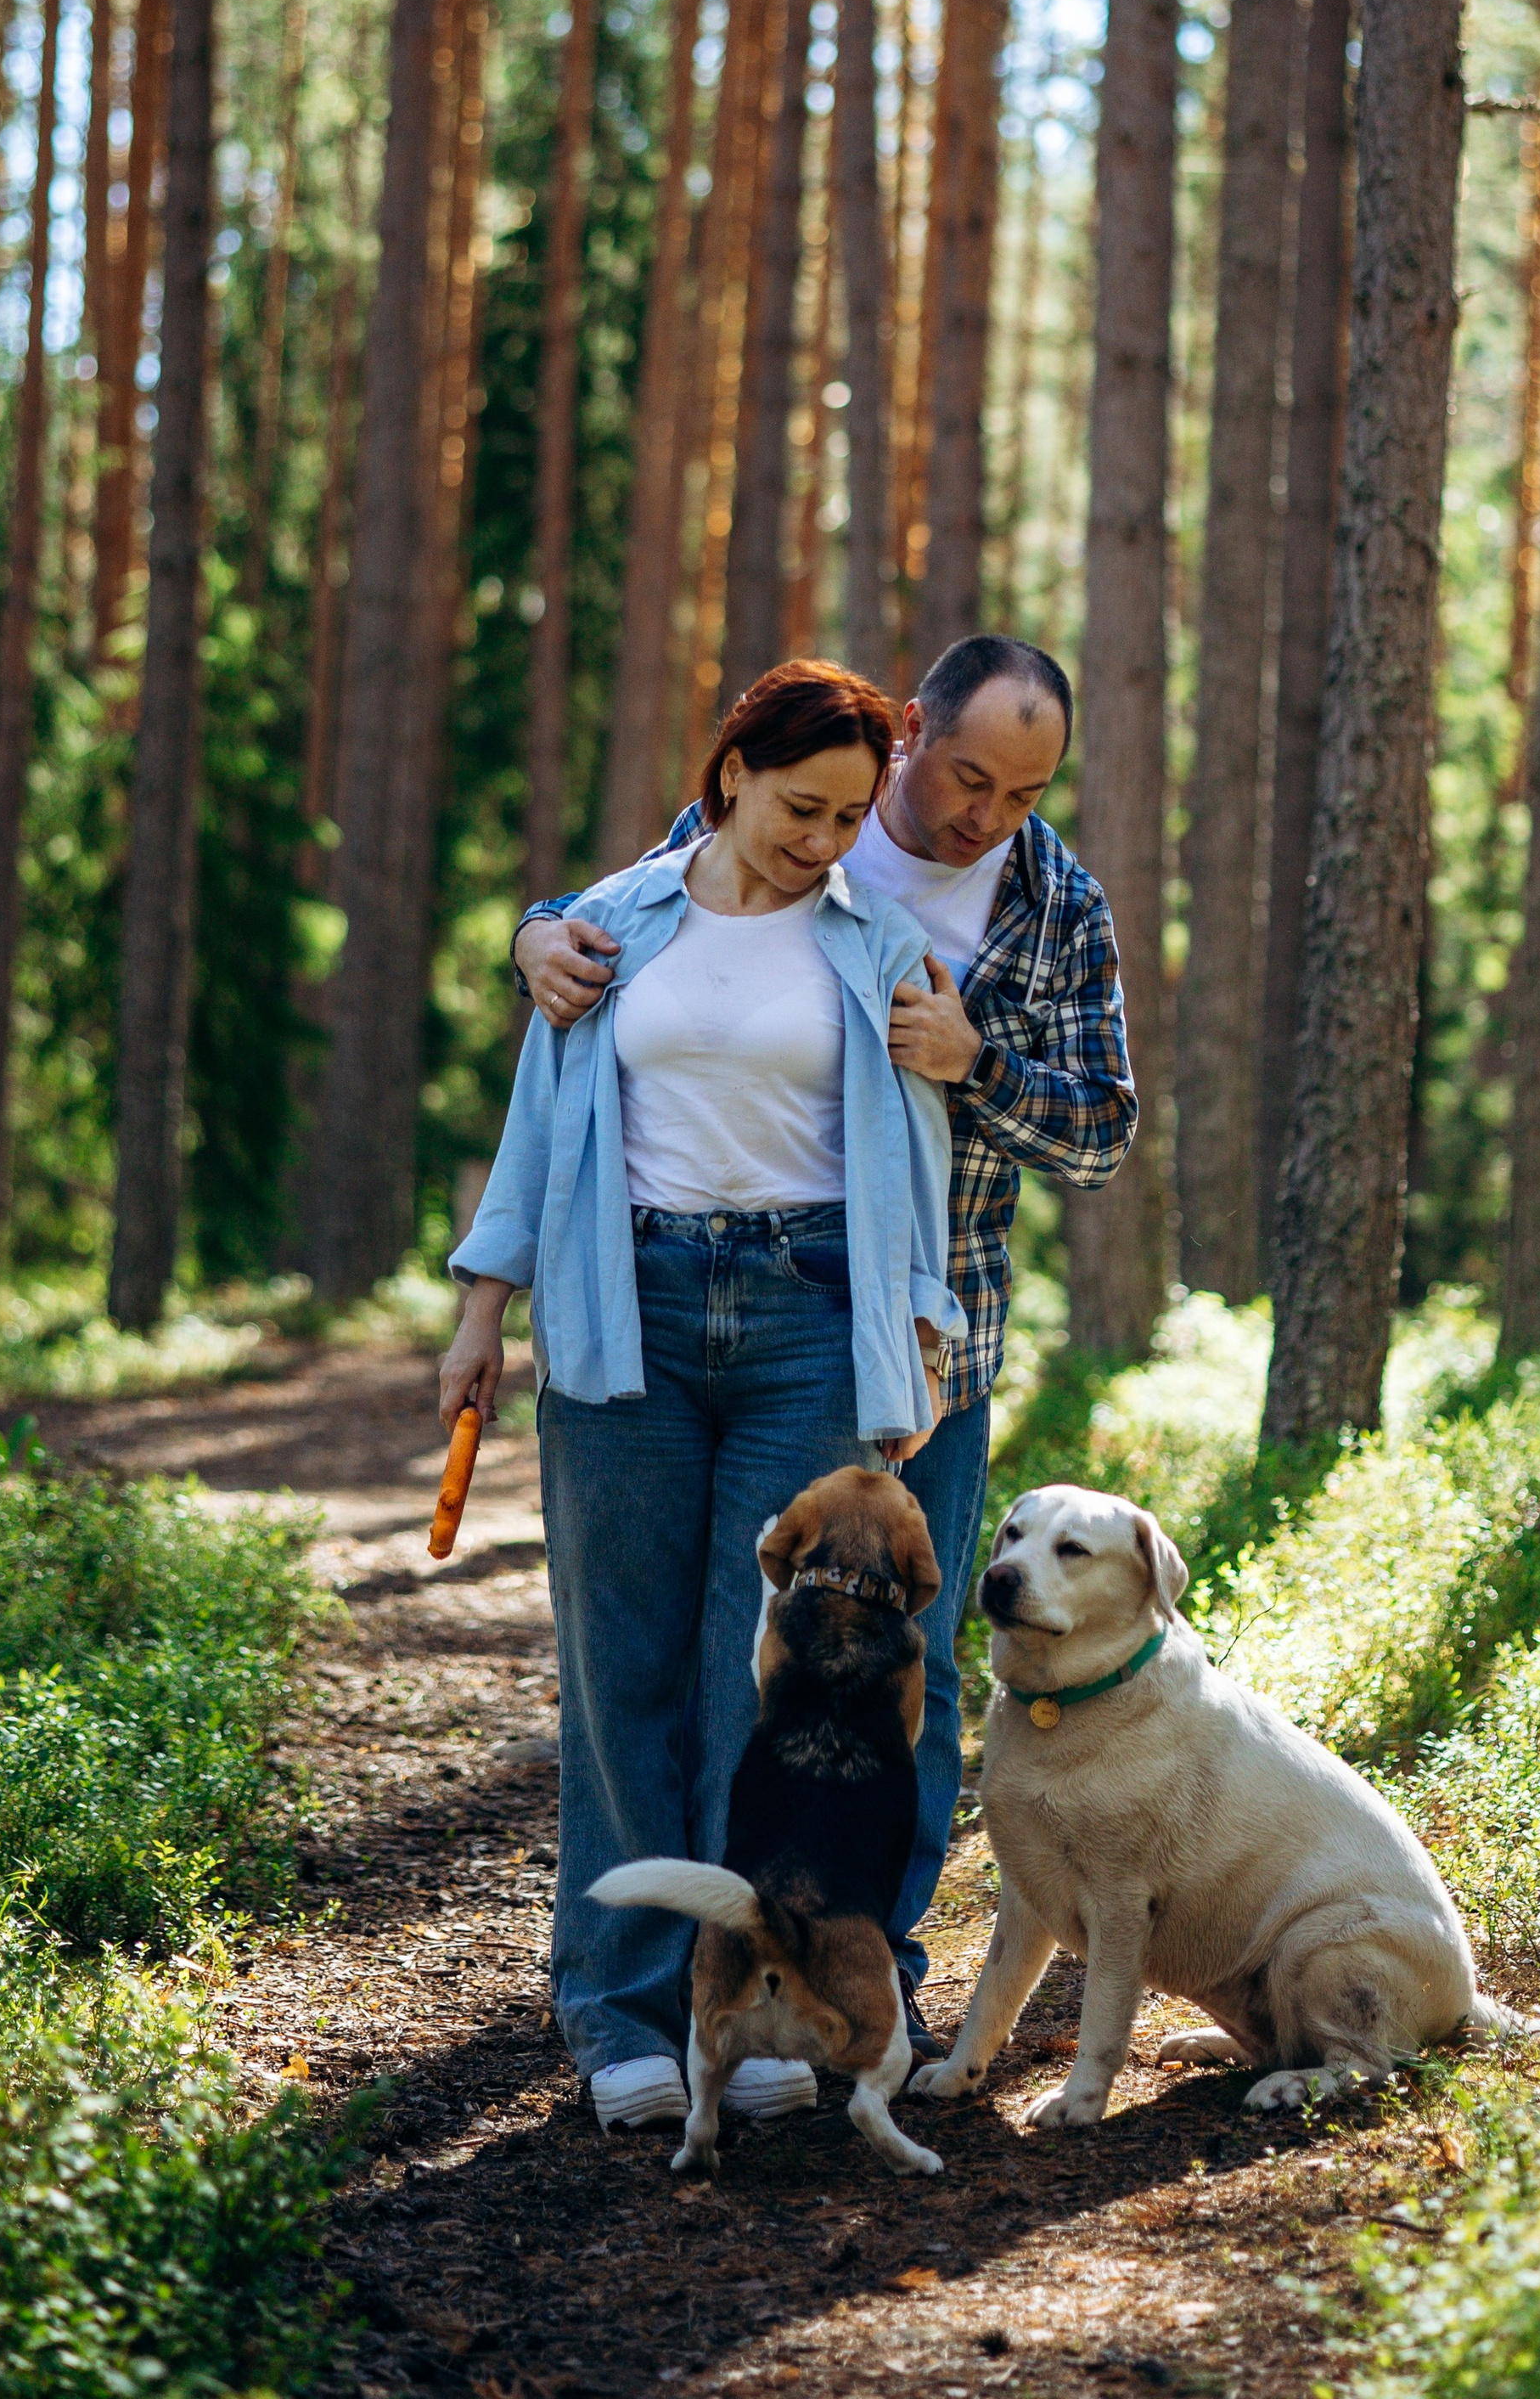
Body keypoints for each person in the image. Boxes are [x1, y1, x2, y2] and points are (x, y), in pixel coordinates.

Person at [513, 632, 1138, 2054]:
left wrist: (977, 1063)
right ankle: (666, 1996)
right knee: (684, 1659)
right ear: (912, 731)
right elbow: (627, 913)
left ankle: (867, 1978)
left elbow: (1103, 1131)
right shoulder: (808, 802)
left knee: (892, 1687)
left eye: (1024, 794)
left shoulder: (1057, 905)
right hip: (717, 1300)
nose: (986, 816)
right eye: (969, 776)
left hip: (936, 1340)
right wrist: (529, 933)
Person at [439, 661, 964, 2137]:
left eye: (854, 815)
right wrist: (483, 1310)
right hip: (631, 1311)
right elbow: (540, 1129)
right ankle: (616, 2008)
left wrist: (919, 1330)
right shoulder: (610, 925)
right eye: (804, 808)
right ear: (732, 775)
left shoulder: (880, 941)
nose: (826, 842)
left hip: (808, 1315)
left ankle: (763, 1999)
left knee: (777, 1683)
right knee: (626, 1670)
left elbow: (915, 1151)